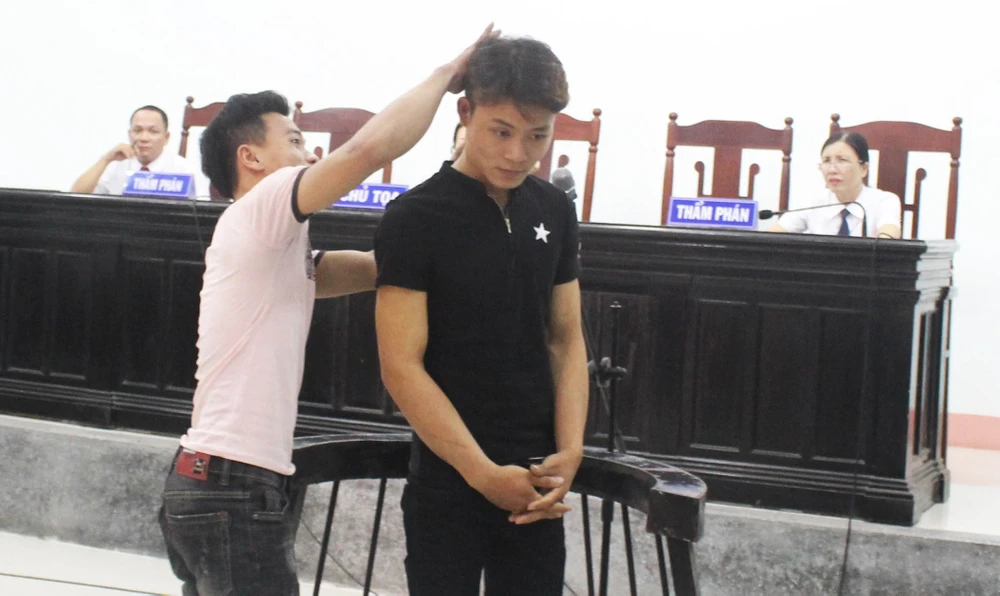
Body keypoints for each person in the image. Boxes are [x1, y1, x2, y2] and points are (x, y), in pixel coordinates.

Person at [157, 25, 496, 595]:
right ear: (250, 157)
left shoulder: (272, 252)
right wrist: (446, 77)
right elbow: (367, 151)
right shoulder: (259, 207)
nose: (311, 153)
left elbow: (374, 267)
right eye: (294, 140)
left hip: (206, 482)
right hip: (232, 486)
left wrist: (461, 218)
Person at [374, 36, 589, 595]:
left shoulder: (554, 209)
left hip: (538, 475)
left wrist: (571, 449)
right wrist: (480, 471)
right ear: (466, 112)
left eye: (538, 135)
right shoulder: (415, 216)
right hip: (449, 479)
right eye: (502, 131)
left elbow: (566, 339)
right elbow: (401, 365)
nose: (519, 154)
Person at [770, 132, 902, 238]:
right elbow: (773, 236)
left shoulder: (884, 201)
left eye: (842, 160)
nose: (832, 170)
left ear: (864, 169)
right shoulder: (813, 202)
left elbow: (889, 234)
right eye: (826, 161)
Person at [70, 105, 199, 195]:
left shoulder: (185, 170)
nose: (144, 138)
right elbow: (76, 197)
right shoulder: (116, 165)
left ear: (166, 138)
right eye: (137, 131)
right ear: (129, 134)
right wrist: (105, 160)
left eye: (153, 131)